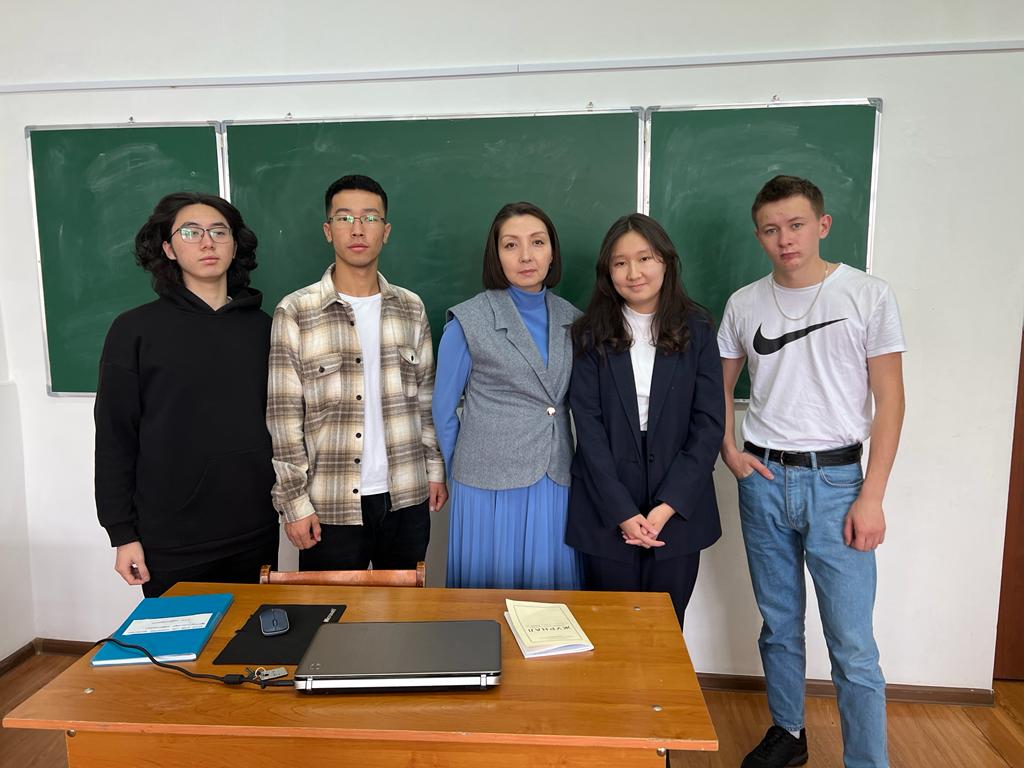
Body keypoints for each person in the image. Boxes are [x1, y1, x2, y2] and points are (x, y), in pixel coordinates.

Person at [719, 176, 905, 768]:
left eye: (796, 225)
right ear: (758, 236)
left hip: (838, 484)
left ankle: (866, 761)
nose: (785, 239)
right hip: (765, 481)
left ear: (821, 225)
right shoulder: (744, 303)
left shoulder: (866, 294)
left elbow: (891, 400)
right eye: (771, 229)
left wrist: (872, 496)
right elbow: (717, 386)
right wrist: (729, 451)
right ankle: (789, 732)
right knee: (778, 626)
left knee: (852, 643)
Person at [94, 192, 280, 598]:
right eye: (191, 232)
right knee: (181, 637)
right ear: (168, 248)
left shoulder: (265, 328)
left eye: (219, 232)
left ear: (235, 245)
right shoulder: (134, 330)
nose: (207, 242)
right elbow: (114, 437)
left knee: (254, 635)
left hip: (255, 529)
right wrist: (122, 533)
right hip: (172, 538)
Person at [267, 174, 446, 571]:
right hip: (329, 502)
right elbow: (284, 417)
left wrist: (435, 470)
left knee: (406, 608)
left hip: (406, 494)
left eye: (370, 218)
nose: (358, 229)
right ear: (328, 230)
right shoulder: (296, 311)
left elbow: (426, 400)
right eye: (345, 218)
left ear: (386, 231)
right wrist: (293, 502)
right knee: (331, 610)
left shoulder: (411, 308)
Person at [566, 214, 724, 628]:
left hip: (679, 505)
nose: (633, 273)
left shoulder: (698, 329)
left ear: (665, 262)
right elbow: (588, 427)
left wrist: (667, 507)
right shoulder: (588, 334)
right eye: (620, 263)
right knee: (610, 631)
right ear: (608, 272)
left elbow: (709, 424)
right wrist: (622, 511)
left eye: (644, 258)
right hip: (605, 506)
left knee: (665, 631)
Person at [432, 202, 582, 589]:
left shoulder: (574, 320)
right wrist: (460, 470)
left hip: (554, 477)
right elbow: (443, 410)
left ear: (552, 252)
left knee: (549, 600)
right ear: (496, 255)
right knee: (489, 597)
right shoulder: (468, 321)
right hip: (487, 484)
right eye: (511, 245)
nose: (526, 256)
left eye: (537, 242)